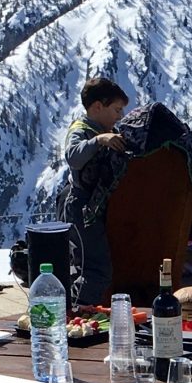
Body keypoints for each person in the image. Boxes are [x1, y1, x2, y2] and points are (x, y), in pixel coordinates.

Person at [62, 77, 130, 307]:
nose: (119, 116)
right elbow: (73, 156)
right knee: (93, 267)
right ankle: (78, 311)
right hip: (81, 205)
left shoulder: (107, 130)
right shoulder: (82, 130)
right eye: (116, 110)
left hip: (95, 206)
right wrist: (99, 141)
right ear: (97, 107)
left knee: (97, 265)